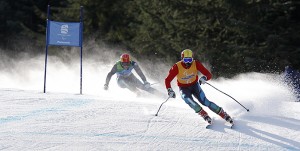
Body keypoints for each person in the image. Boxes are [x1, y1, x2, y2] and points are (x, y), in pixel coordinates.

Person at [165, 49, 233, 124]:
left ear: (192, 59)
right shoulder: (177, 67)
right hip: (184, 88)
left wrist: (205, 78)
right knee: (187, 99)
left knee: (205, 102)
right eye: (186, 60)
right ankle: (204, 114)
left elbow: (208, 74)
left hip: (194, 86)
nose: (188, 62)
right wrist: (169, 90)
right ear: (182, 59)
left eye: (190, 59)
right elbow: (167, 80)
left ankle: (223, 113)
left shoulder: (196, 63)